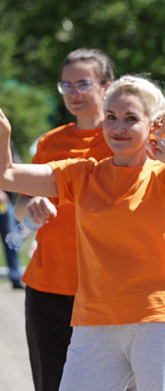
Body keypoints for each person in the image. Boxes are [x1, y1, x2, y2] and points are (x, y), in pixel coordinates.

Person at [0, 75, 165, 390]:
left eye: (130, 118)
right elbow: (8, 175)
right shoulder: (82, 173)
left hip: (157, 318)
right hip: (94, 319)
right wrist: (4, 134)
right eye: (111, 117)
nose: (118, 126)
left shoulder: (162, 176)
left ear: (153, 125)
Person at [14, 48, 115, 391]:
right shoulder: (50, 142)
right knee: (51, 384)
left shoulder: (126, 141)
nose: (73, 93)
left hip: (106, 289)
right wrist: (32, 206)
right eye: (66, 85)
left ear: (106, 86)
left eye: (82, 83)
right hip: (47, 286)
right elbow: (20, 205)